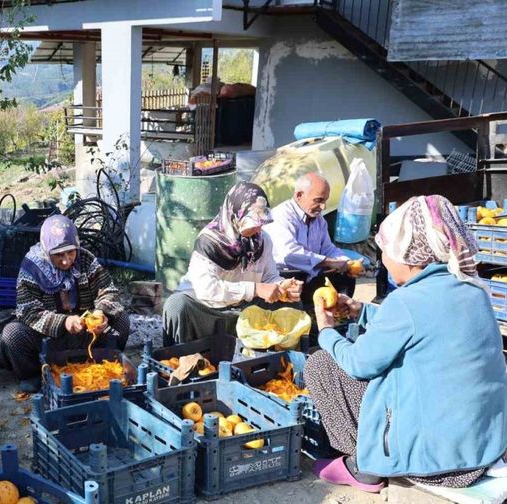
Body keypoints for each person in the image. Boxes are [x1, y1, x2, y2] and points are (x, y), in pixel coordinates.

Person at [305, 195, 507, 492]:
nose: (384, 259)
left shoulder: (406, 302)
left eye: (387, 250)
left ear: (409, 254)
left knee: (322, 364)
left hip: (435, 463)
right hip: (482, 451)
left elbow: (359, 364)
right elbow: (419, 325)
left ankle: (366, 466)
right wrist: (361, 311)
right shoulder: (472, 289)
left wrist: (326, 330)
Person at [0, 215, 129, 392]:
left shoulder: (85, 259)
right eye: (59, 255)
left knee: (122, 319)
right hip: (49, 336)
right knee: (13, 334)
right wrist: (64, 322)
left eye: (71, 252)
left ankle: (103, 361)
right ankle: (33, 374)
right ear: (47, 250)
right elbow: (28, 311)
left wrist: (100, 312)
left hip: (85, 332)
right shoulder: (31, 267)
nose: (67, 260)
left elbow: (108, 290)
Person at [163, 182, 302, 346]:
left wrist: (282, 286)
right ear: (235, 215)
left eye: (261, 224)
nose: (258, 230)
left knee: (291, 304)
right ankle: (185, 360)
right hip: (207, 310)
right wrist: (255, 289)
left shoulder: (262, 241)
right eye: (253, 223)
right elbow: (208, 290)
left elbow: (269, 276)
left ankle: (278, 360)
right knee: (176, 305)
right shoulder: (209, 242)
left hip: (245, 309)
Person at [263, 172, 357, 305]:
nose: (323, 207)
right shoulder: (282, 216)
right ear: (299, 196)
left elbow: (328, 249)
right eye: (318, 200)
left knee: (345, 277)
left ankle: (335, 315)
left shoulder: (319, 220)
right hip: (283, 277)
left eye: (325, 200)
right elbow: (289, 254)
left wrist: (348, 263)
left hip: (308, 275)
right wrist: (328, 262)